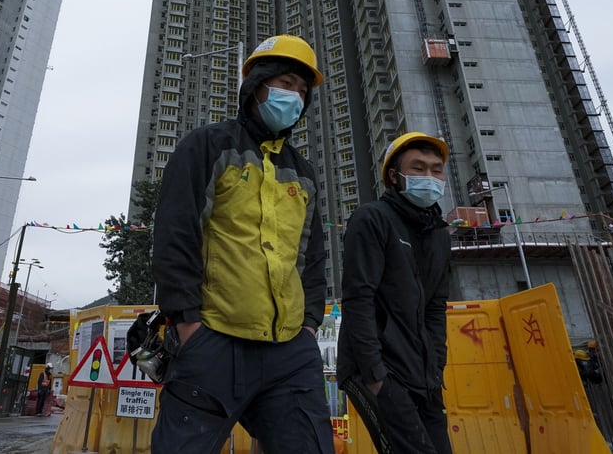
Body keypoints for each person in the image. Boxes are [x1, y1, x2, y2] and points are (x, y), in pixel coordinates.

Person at [150, 34, 335, 454]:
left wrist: (308, 325)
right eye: (286, 84)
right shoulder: (208, 146)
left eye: (302, 92)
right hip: (213, 340)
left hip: (291, 352)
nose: (294, 97)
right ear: (258, 85)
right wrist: (187, 323)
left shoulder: (302, 172)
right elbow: (176, 235)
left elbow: (313, 259)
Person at [337, 131, 453, 454]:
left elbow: (435, 306)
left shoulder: (440, 236)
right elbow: (358, 299)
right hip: (374, 370)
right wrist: (376, 376)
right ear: (394, 176)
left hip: (423, 375)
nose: (429, 176)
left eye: (436, 169)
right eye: (418, 168)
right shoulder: (372, 219)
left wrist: (436, 366)